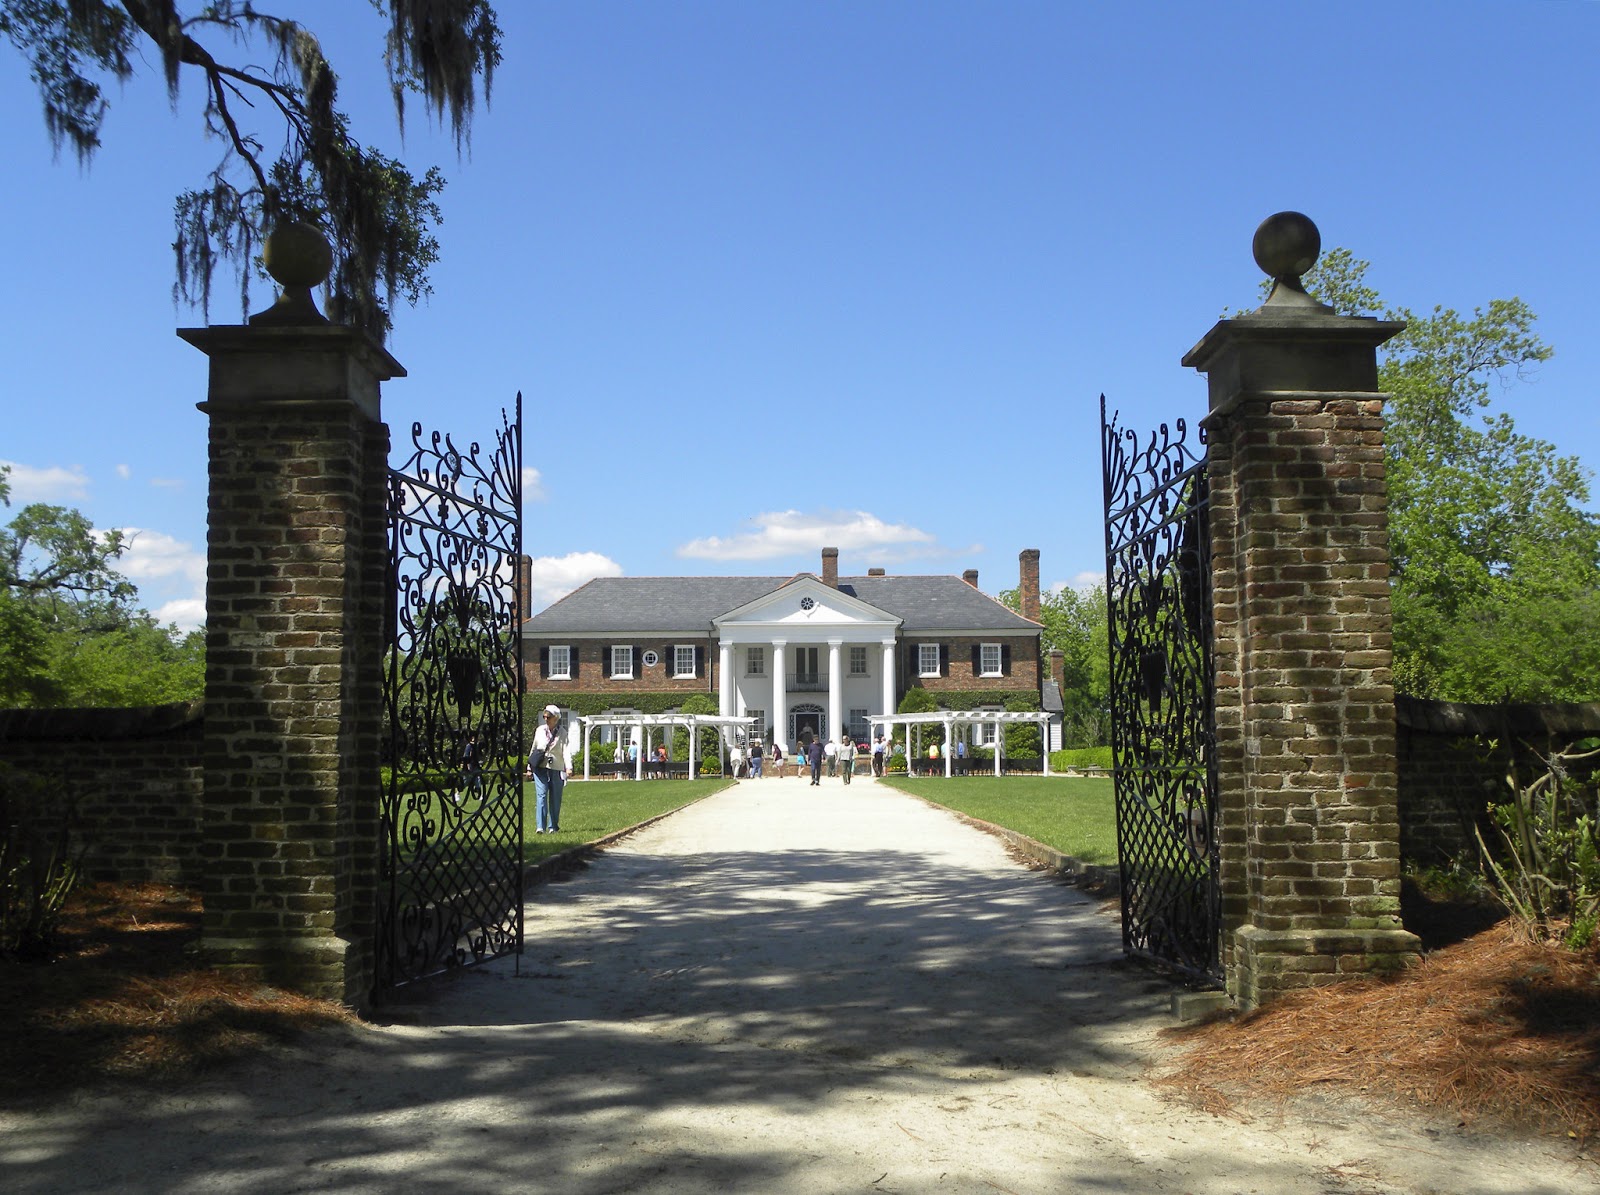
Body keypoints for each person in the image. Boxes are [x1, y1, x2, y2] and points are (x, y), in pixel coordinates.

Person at [529, 704, 568, 834]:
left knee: (555, 798)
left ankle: (553, 826)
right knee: (542, 795)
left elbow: (566, 751)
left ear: (555, 718)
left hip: (556, 768)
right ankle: (540, 826)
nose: (546, 719)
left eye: (549, 716)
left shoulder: (562, 732)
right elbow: (534, 748)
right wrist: (530, 766)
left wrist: (569, 767)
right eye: (544, 716)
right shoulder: (539, 730)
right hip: (540, 767)